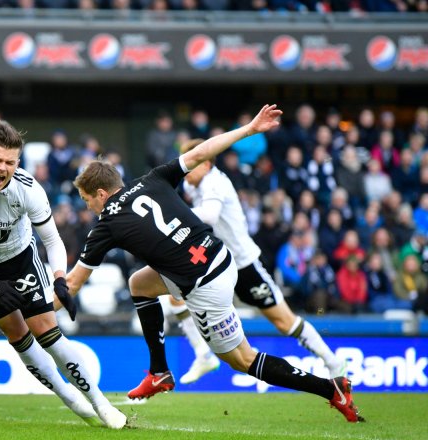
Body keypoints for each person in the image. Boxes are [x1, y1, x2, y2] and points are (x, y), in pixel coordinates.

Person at [65, 105, 363, 423]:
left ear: (100, 193)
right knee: (139, 283)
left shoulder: (108, 222)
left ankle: (332, 389)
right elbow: (201, 151)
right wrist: (248, 129)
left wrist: (33, 311)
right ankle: (159, 371)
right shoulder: (151, 179)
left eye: (87, 201)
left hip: (206, 283)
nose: (89, 208)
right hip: (220, 258)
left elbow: (73, 284)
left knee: (243, 360)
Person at [0, 120, 128, 429]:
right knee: (17, 335)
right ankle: (69, 397)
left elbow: (52, 240)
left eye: (9, 162)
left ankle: (100, 402)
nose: (2, 168)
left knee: (47, 330)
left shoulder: (28, 188)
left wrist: (61, 279)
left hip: (20, 259)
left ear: (18, 163)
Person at [125, 136, 346, 398]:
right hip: (211, 265)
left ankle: (333, 363)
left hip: (242, 265)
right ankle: (203, 354)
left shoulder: (214, 182)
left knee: (284, 321)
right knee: (172, 291)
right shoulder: (196, 186)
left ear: (206, 164)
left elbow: (209, 216)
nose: (184, 170)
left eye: (190, 163)